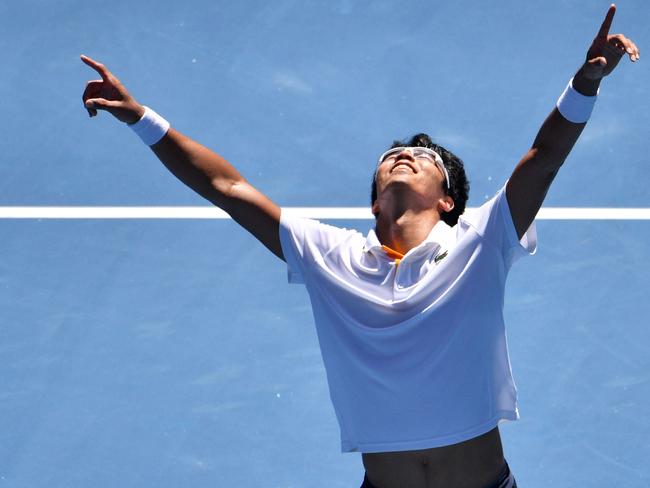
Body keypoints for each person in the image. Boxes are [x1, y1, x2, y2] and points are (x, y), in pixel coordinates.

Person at [81, 5, 638, 487]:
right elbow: (225, 188)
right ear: (375, 202)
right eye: (391, 158)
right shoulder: (328, 254)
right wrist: (140, 118)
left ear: (448, 202)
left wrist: (585, 84)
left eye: (428, 160)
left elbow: (543, 158)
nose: (405, 156)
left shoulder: (481, 239)